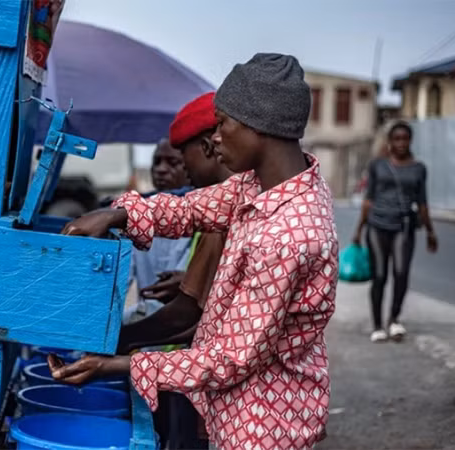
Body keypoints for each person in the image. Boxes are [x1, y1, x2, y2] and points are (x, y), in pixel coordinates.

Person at [50, 53, 338, 450]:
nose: (214, 137)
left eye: (222, 123)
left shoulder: (288, 236)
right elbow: (192, 209)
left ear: (258, 125)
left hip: (263, 425)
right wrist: (117, 214)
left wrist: (117, 364)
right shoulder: (258, 186)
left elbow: (231, 358)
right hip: (239, 410)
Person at [118, 91, 233, 450]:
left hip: (204, 378)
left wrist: (122, 343)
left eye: (183, 159)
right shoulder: (223, 208)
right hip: (197, 369)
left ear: (209, 148)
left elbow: (188, 313)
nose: (183, 171)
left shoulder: (223, 215)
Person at [352, 121, 438, 343]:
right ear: (390, 141)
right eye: (397, 139)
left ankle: (394, 319)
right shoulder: (377, 165)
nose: (401, 143)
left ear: (410, 141)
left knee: (401, 273)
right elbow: (368, 200)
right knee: (379, 276)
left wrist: (430, 231)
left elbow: (423, 203)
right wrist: (359, 230)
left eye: (405, 138)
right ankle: (377, 325)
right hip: (377, 226)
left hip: (404, 226)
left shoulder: (419, 169)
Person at [122, 139, 194, 326]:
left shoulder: (204, 219)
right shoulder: (137, 218)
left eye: (172, 163)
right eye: (157, 162)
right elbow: (120, 282)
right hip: (148, 324)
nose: (161, 169)